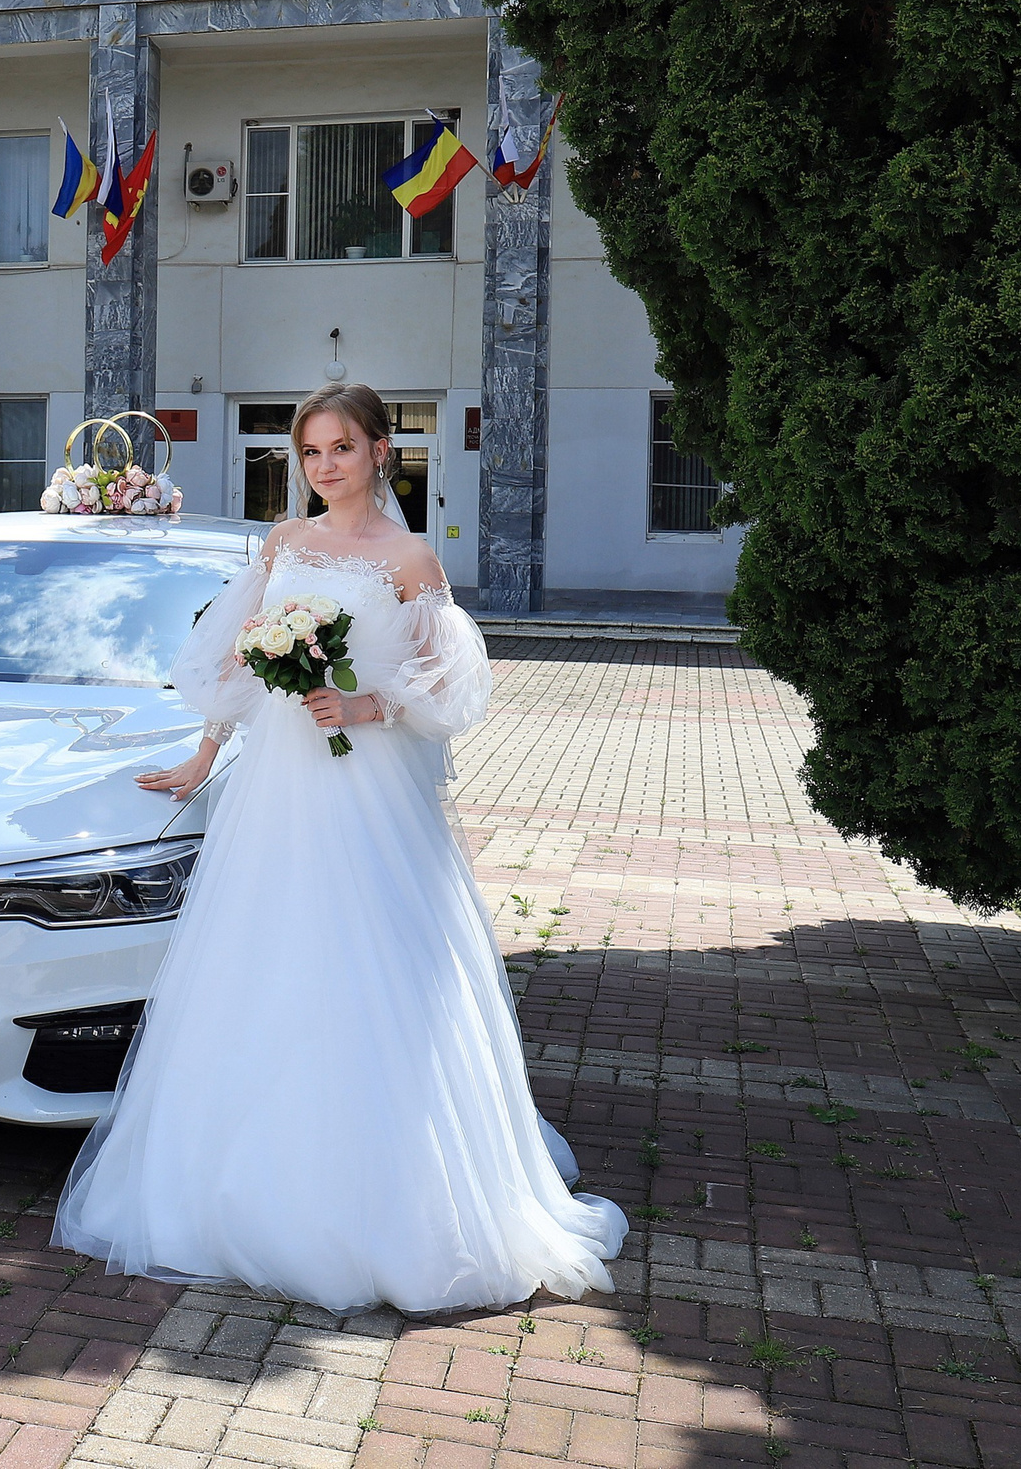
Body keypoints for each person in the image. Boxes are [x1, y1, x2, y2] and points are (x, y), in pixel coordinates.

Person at [53, 381, 624, 1312]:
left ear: (379, 453)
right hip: (277, 791)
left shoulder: (409, 560)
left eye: (342, 449)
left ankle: (395, 1195)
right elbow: (238, 660)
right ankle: (245, 1184)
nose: (325, 466)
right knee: (266, 960)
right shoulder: (282, 545)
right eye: (310, 451)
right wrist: (202, 757)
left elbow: (450, 690)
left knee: (376, 962)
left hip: (368, 790)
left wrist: (366, 704)